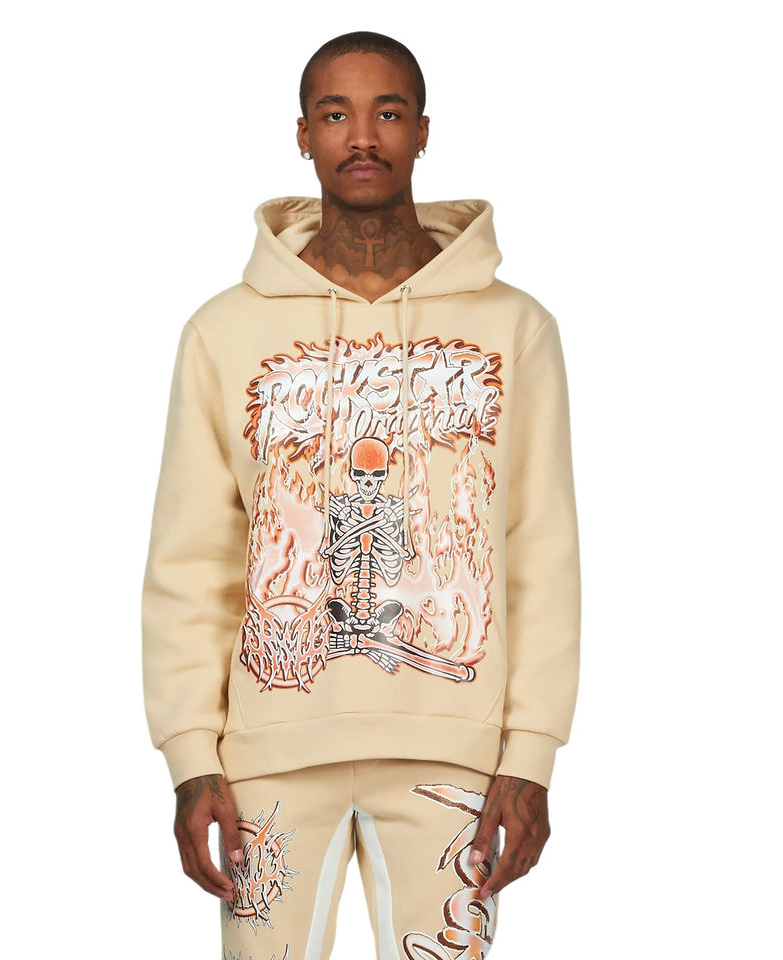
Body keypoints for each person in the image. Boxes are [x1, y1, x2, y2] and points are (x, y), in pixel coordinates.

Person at [141, 30, 581, 960]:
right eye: (336, 114)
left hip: (453, 750)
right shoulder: (224, 332)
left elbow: (542, 550)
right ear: (303, 135)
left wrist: (532, 753)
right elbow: (192, 560)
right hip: (268, 752)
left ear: (423, 131)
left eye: (388, 112)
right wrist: (190, 755)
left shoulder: (515, 328)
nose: (363, 136)